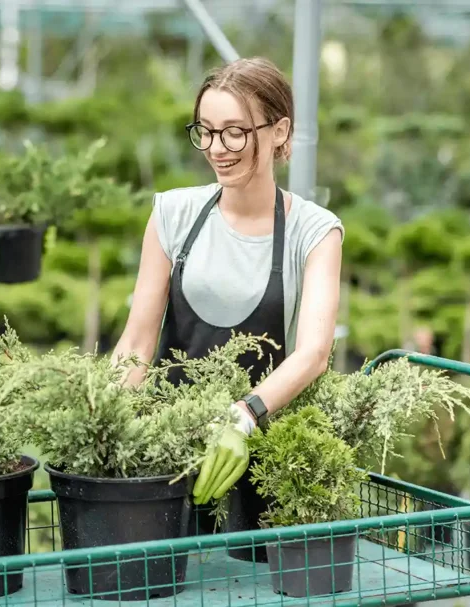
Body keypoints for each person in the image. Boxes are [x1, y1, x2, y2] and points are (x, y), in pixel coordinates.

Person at [111, 57, 344, 505]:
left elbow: (313, 353)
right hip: (168, 453)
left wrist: (244, 415)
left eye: (235, 131)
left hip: (267, 457)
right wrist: (102, 419)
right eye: (206, 130)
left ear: (278, 131)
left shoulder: (314, 231)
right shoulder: (172, 215)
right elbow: (137, 344)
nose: (218, 148)